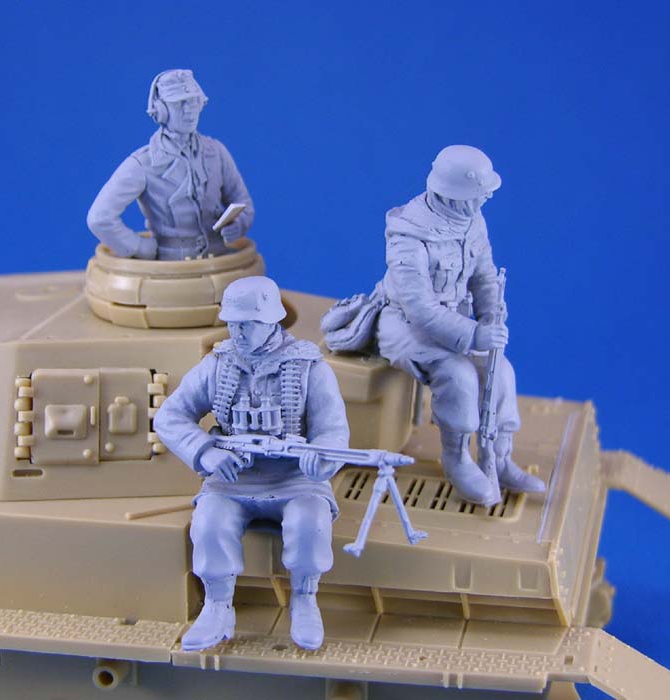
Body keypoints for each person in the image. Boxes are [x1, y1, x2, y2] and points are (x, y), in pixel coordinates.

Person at [323, 145, 544, 505]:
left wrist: (490, 316)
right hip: (404, 324)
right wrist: (474, 334)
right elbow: (419, 307)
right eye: (479, 193)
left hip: (455, 322)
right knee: (458, 375)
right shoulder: (408, 234)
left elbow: (484, 277)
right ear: (454, 193)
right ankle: (457, 458)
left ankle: (499, 456)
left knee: (501, 370)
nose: (485, 199)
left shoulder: (472, 221)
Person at [153, 276, 349, 651]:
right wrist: (205, 452)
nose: (238, 332)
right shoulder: (218, 365)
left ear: (271, 320)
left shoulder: (309, 367)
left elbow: (333, 430)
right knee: (209, 523)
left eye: (248, 324)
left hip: (295, 478)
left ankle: (305, 599)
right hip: (232, 478)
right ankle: (217, 605)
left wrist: (319, 459)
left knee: (310, 522)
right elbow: (169, 416)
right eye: (233, 323)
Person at [87, 69, 254, 261]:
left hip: (220, 262)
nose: (189, 110)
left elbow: (243, 202)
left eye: (193, 101)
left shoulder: (216, 152)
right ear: (162, 110)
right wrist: (140, 247)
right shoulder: (143, 164)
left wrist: (239, 224)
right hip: (171, 267)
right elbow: (99, 218)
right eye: (179, 103)